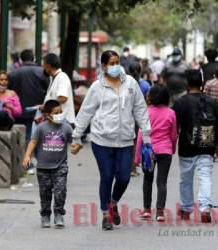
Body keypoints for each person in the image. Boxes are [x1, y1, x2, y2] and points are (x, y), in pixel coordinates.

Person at [71, 50, 151, 230]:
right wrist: (76, 136)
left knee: (124, 177)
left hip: (125, 140)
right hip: (101, 140)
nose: (115, 66)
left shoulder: (130, 83)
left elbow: (140, 109)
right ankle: (106, 213)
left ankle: (113, 202)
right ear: (104, 66)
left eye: (117, 62)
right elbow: (86, 112)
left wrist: (146, 136)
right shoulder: (97, 87)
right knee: (107, 175)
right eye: (111, 63)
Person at [173, 69, 218, 223]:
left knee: (185, 179)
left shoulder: (180, 102)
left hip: (186, 147)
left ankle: (186, 208)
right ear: (202, 83)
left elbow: (174, 126)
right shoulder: (212, 101)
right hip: (207, 146)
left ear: (187, 84)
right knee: (205, 177)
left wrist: (172, 144)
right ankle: (205, 209)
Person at [22, 99, 73, 228]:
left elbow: (74, 141)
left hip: (60, 166)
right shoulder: (41, 128)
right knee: (45, 193)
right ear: (48, 114)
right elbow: (33, 142)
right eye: (57, 112)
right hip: (43, 167)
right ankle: (45, 215)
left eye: (61, 111)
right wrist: (27, 156)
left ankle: (59, 214)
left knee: (60, 191)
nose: (60, 114)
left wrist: (76, 147)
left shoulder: (66, 127)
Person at [134, 84, 177, 222]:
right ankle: (160, 212)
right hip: (165, 150)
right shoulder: (171, 113)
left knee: (148, 179)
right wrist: (173, 148)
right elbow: (174, 135)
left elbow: (140, 135)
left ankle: (147, 210)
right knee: (162, 181)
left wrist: (136, 158)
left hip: (148, 152)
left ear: (151, 96)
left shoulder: (146, 112)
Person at [8, 49, 49, 144]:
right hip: (38, 111)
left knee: (21, 137)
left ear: (21, 60)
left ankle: (24, 155)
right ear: (33, 58)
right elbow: (49, 91)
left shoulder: (13, 73)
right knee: (35, 137)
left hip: (19, 111)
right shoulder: (43, 73)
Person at [128, 61, 151, 177]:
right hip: (140, 117)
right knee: (137, 142)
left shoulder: (124, 83)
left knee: (127, 142)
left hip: (126, 117)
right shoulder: (145, 85)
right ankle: (134, 166)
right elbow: (149, 101)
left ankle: (126, 166)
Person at [41, 53, 75, 126]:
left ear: (48, 65)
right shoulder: (53, 78)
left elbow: (63, 98)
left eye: (43, 64)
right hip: (57, 121)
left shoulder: (62, 77)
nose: (42, 67)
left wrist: (46, 106)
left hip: (63, 122)